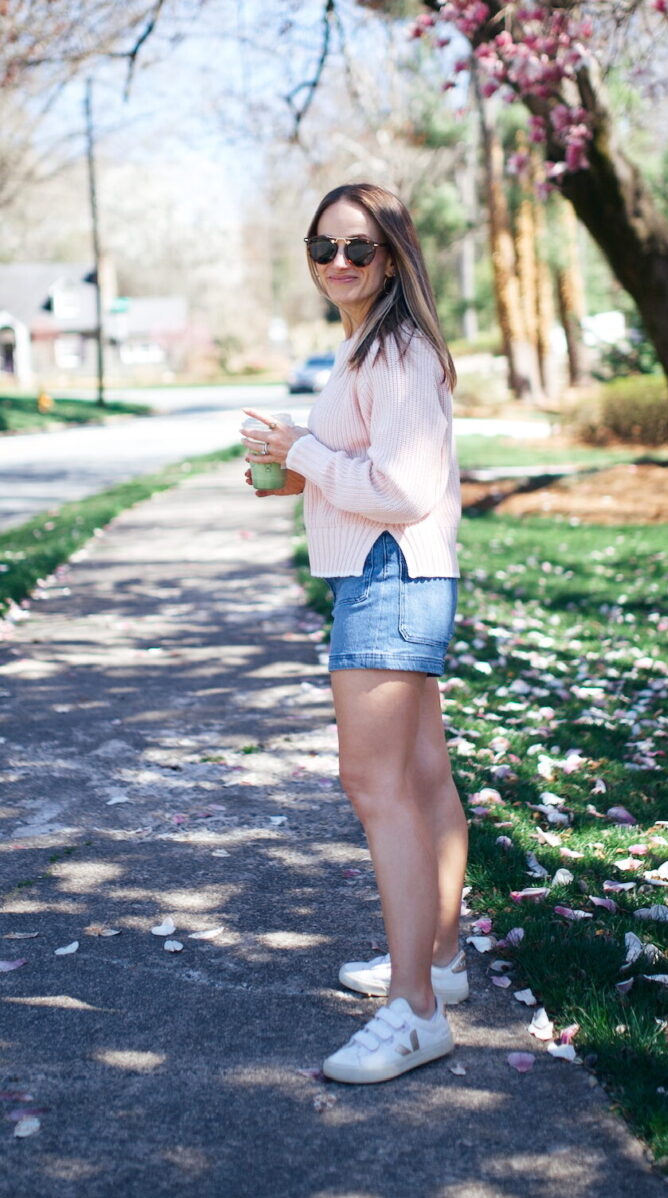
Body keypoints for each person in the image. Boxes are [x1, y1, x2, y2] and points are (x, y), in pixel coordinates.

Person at [239, 182, 467, 1085]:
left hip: (391, 575)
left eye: (358, 250)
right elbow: (371, 470)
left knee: (377, 788)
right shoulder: (370, 344)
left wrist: (303, 453)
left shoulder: (396, 351)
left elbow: (403, 490)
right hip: (396, 573)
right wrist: (296, 469)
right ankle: (439, 963)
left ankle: (414, 1011)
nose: (338, 263)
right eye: (323, 247)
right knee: (420, 779)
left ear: (394, 256)